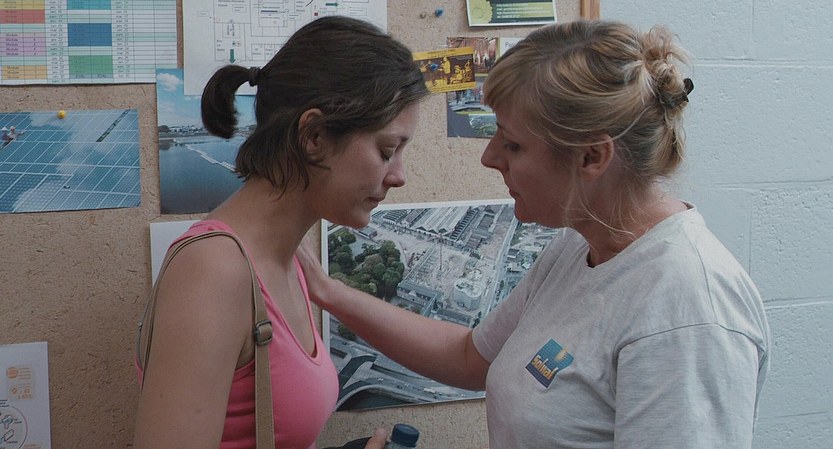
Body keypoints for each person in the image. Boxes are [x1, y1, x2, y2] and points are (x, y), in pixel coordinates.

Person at [296, 19, 771, 448]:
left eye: (513, 144)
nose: (489, 157)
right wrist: (326, 291)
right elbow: (470, 358)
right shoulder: (580, 246)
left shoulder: (688, 311)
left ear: (591, 156)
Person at [133, 16, 428, 449]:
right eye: (387, 151)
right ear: (314, 136)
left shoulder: (287, 257)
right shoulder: (214, 271)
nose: (399, 175)